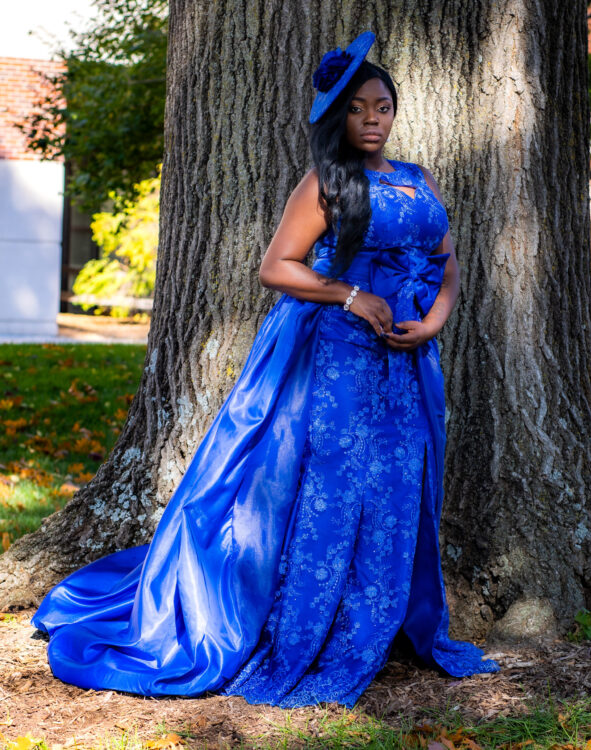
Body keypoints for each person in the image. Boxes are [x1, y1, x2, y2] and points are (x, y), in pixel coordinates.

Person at [31, 30, 500, 709]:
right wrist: (350, 295)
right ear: (338, 116)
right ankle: (306, 628)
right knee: (332, 489)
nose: (372, 120)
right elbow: (274, 267)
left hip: (408, 363)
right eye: (358, 109)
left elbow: (447, 261)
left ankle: (373, 621)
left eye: (383, 107)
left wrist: (433, 321)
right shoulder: (326, 183)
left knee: (399, 491)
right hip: (337, 357)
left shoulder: (417, 179)